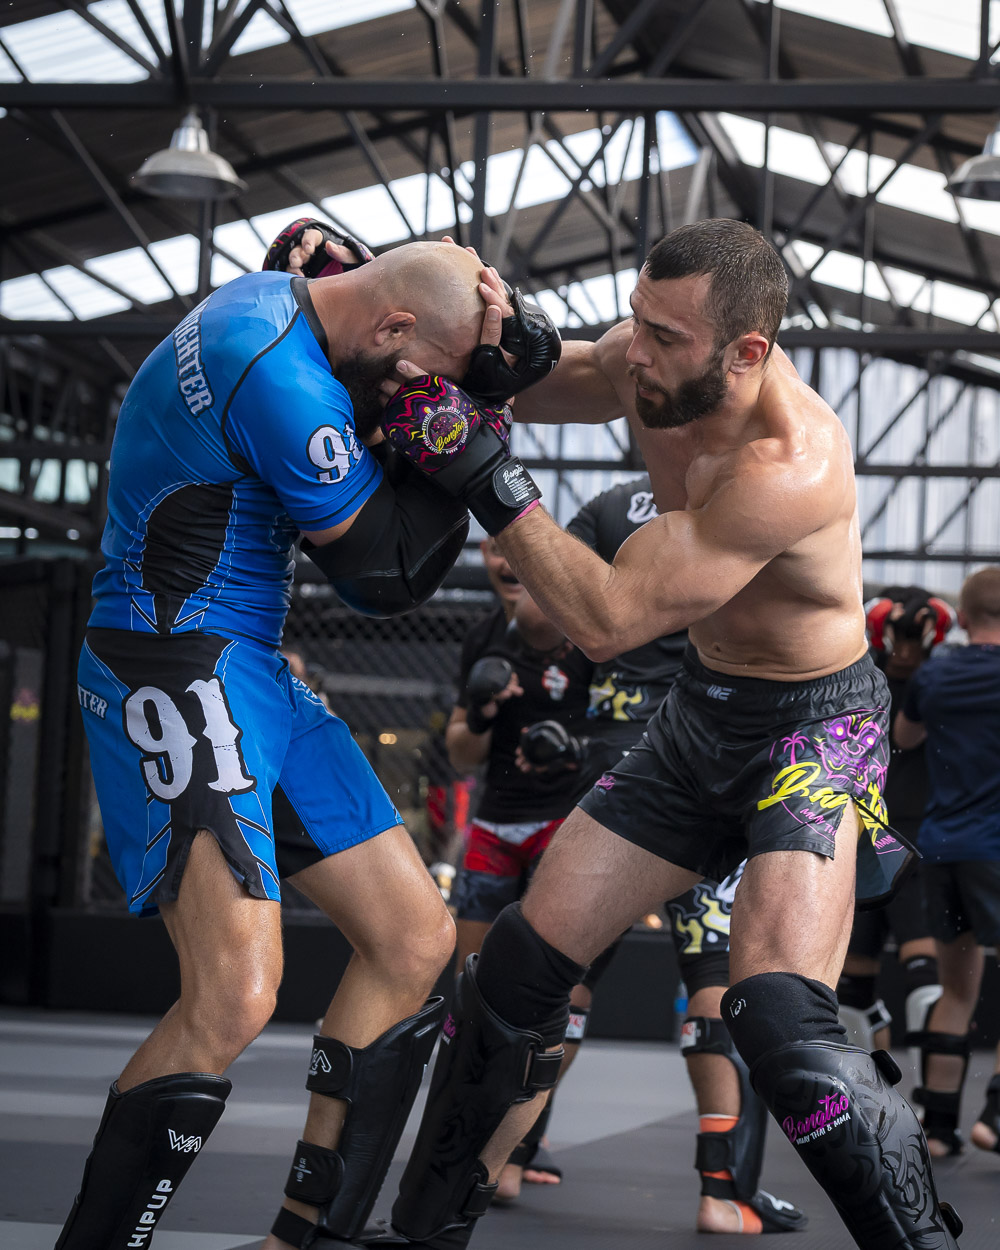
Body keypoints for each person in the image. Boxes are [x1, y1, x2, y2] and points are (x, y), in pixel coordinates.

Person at [356, 218, 962, 1249]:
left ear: (747, 351)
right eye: (636, 318)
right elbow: (539, 380)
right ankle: (423, 1232)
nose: (634, 349)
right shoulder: (645, 359)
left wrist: (486, 473)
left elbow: (606, 619)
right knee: (513, 969)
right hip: (698, 714)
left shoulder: (789, 465)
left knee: (779, 1018)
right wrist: (415, 338)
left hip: (813, 730)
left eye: (665, 335)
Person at [59, 235, 562, 1250]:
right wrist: (474, 433)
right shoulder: (279, 377)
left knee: (413, 939)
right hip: (173, 654)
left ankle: (304, 1237)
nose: (424, 396)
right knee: (233, 994)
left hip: (249, 664)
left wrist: (484, 387)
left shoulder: (294, 310)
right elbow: (386, 576)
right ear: (391, 323)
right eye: (427, 373)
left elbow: (410, 403)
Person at [511, 475, 805, 1234]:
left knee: (566, 971)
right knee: (712, 971)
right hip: (704, 755)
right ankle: (721, 1193)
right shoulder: (752, 494)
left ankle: (506, 1157)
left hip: (614, 764)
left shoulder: (610, 507)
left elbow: (537, 608)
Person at [446, 536, 593, 1198]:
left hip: (566, 825)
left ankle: (523, 1136)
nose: (506, 562)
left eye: (516, 549)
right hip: (494, 824)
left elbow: (630, 732)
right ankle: (460, 1132)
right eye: (493, 550)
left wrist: (574, 750)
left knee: (557, 985)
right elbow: (460, 752)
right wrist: (482, 712)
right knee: (473, 984)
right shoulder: (483, 638)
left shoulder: (594, 636)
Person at [894, 566, 1000, 1162]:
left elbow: (905, 738)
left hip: (941, 846)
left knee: (957, 988)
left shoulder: (935, 673)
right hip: (995, 848)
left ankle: (937, 1128)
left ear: (962, 617)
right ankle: (996, 1115)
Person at [836, 587, 955, 1054]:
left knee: (925, 977)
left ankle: (935, 1091)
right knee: (852, 991)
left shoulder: (942, 682)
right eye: (896, 639)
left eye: (913, 640)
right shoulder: (859, 679)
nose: (904, 651)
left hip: (918, 834)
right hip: (865, 832)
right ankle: (866, 1090)